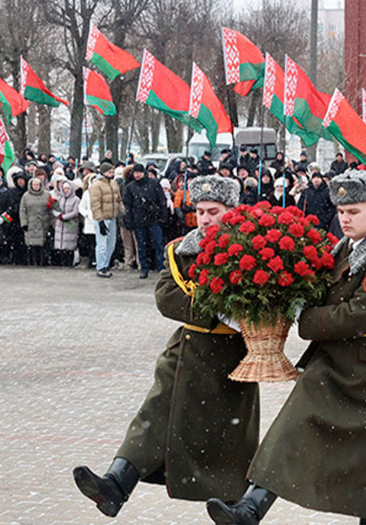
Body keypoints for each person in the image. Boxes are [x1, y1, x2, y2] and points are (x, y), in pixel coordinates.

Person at [207, 169, 366, 525]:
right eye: (341, 212)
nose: (345, 219)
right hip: (334, 361)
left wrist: (306, 316)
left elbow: (355, 316)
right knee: (291, 427)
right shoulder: (345, 248)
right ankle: (251, 509)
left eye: (354, 212)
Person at [73, 175, 260, 518]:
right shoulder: (183, 249)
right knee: (153, 415)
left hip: (232, 357)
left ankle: (238, 507)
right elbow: (166, 297)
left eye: (213, 211)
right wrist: (216, 307)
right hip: (185, 351)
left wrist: (214, 303)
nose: (204, 219)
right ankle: (115, 484)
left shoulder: (253, 250)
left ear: (232, 211)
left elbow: (260, 301)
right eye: (200, 211)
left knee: (229, 437)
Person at [122, 163, 168, 279]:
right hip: (139, 219)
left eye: (139, 172)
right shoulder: (131, 187)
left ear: (144, 173)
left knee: (158, 244)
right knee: (142, 246)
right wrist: (129, 219)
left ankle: (161, 266)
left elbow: (162, 200)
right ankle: (144, 268)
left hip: (154, 218)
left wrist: (163, 215)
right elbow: (128, 205)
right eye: (135, 173)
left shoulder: (154, 183)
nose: (137, 175)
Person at [90, 162, 125, 278]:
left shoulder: (114, 184)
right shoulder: (96, 185)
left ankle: (106, 263)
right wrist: (100, 220)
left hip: (112, 217)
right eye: (110, 172)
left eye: (112, 172)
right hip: (102, 218)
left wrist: (123, 212)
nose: (112, 174)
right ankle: (101, 266)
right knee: (102, 244)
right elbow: (95, 204)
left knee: (111, 244)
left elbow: (118, 200)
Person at [20, 177, 51, 266]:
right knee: (31, 245)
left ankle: (42, 262)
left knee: (42, 244)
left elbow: (50, 209)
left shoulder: (47, 195)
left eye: (37, 184)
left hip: (43, 223)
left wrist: (50, 222)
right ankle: (32, 262)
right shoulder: (26, 196)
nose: (36, 186)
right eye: (34, 184)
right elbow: (22, 210)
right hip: (30, 223)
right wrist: (24, 223)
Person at [51, 178, 80, 267]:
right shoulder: (59, 199)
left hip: (70, 224)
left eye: (68, 188)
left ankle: (69, 262)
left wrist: (65, 217)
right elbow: (54, 209)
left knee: (69, 246)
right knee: (60, 246)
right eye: (64, 188)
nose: (66, 190)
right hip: (60, 224)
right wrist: (58, 215)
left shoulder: (76, 199)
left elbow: (75, 212)